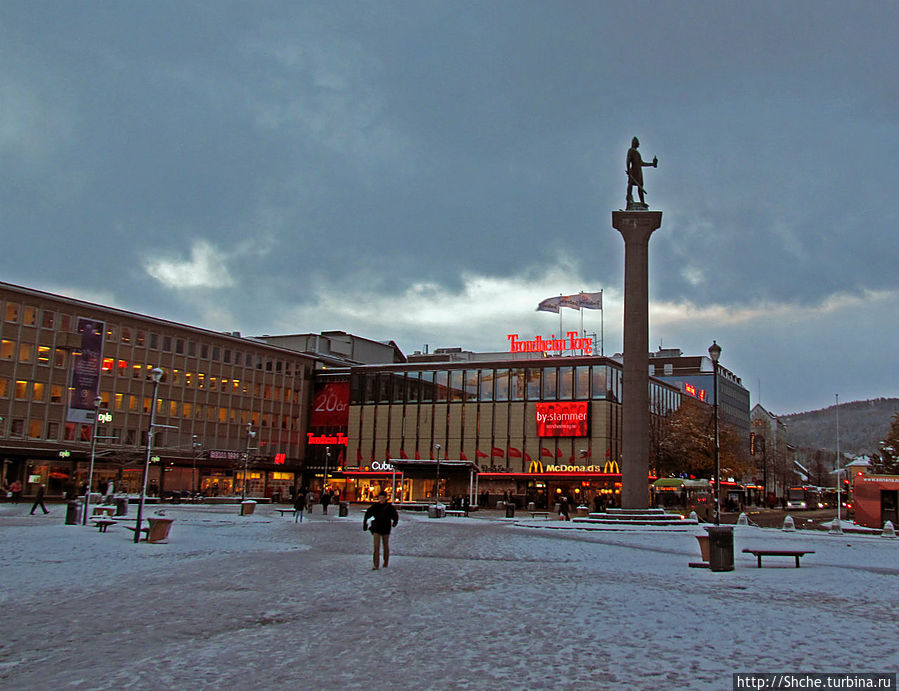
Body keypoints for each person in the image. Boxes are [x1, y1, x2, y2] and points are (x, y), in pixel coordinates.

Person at [363, 491, 399, 570]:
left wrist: (395, 522)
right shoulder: (375, 506)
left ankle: (385, 562)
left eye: (383, 498)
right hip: (377, 528)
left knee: (385, 546)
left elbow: (395, 516)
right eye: (380, 498)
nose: (381, 499)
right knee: (376, 547)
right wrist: (365, 524)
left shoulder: (389, 507)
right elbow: (367, 514)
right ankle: (376, 564)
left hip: (386, 528)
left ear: (386, 498)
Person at [626, 136, 657, 207]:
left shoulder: (637, 153)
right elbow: (628, 161)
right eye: (637, 143)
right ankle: (629, 198)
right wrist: (628, 170)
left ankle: (642, 202)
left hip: (639, 172)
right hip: (633, 170)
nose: (638, 144)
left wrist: (652, 164)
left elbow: (641, 163)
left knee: (640, 186)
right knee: (630, 184)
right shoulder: (631, 150)